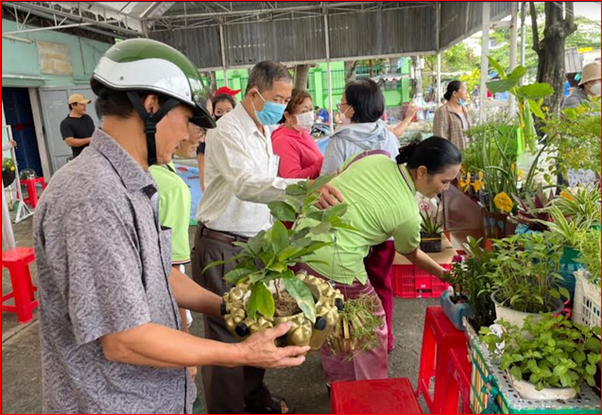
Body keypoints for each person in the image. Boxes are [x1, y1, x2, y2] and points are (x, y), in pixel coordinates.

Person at [33, 39, 310, 414]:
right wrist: (241, 353)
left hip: (152, 396)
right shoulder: (92, 197)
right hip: (114, 403)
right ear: (151, 106)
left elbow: (160, 276)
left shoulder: (135, 182)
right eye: (187, 119)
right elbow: (124, 340)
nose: (191, 134)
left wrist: (230, 306)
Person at [192, 60, 343, 414]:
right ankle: (227, 409)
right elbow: (246, 184)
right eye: (278, 97)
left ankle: (252, 397)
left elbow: (267, 192)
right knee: (227, 333)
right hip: (223, 243)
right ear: (254, 94)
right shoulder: (226, 131)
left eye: (287, 98)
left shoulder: (263, 129)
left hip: (255, 245)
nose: (283, 105)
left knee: (260, 325)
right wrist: (304, 188)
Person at [296, 136, 462, 384]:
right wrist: (446, 275)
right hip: (337, 262)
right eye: (444, 181)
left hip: (303, 240)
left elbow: (335, 179)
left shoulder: (376, 156)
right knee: (370, 328)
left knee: (333, 318)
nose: (446, 187)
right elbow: (412, 253)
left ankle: (338, 384)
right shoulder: (407, 213)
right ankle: (372, 390)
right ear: (422, 172)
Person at [321, 78, 401, 352]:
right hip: (383, 226)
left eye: (343, 104)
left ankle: (349, 345)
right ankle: (384, 340)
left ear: (352, 110)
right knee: (381, 285)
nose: (340, 108)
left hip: (348, 230)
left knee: (348, 289)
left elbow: (327, 182)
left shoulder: (340, 141)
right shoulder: (389, 137)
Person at [149, 122, 207, 384]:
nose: (192, 135)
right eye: (188, 124)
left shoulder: (164, 167)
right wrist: (190, 358)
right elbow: (169, 272)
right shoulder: (157, 179)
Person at [272, 89, 323, 179]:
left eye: (310, 109)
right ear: (288, 116)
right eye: (304, 111)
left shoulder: (304, 133)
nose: (309, 114)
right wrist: (321, 164)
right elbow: (292, 178)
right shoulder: (282, 141)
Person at [197, 94, 236, 191]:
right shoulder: (206, 137)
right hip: (216, 191)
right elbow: (203, 169)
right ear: (213, 112)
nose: (224, 115)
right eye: (219, 111)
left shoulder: (240, 135)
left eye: (228, 111)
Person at [433, 80, 472, 150]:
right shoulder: (443, 111)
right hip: (453, 157)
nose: (467, 92)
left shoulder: (465, 110)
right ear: (454, 93)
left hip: (468, 154)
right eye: (464, 90)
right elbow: (440, 137)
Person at [60, 94, 96, 159]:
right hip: (81, 158)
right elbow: (70, 142)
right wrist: (90, 139)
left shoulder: (87, 118)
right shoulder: (66, 123)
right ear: (73, 105)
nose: (85, 107)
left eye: (85, 104)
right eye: (82, 104)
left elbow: (94, 133)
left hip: (95, 155)